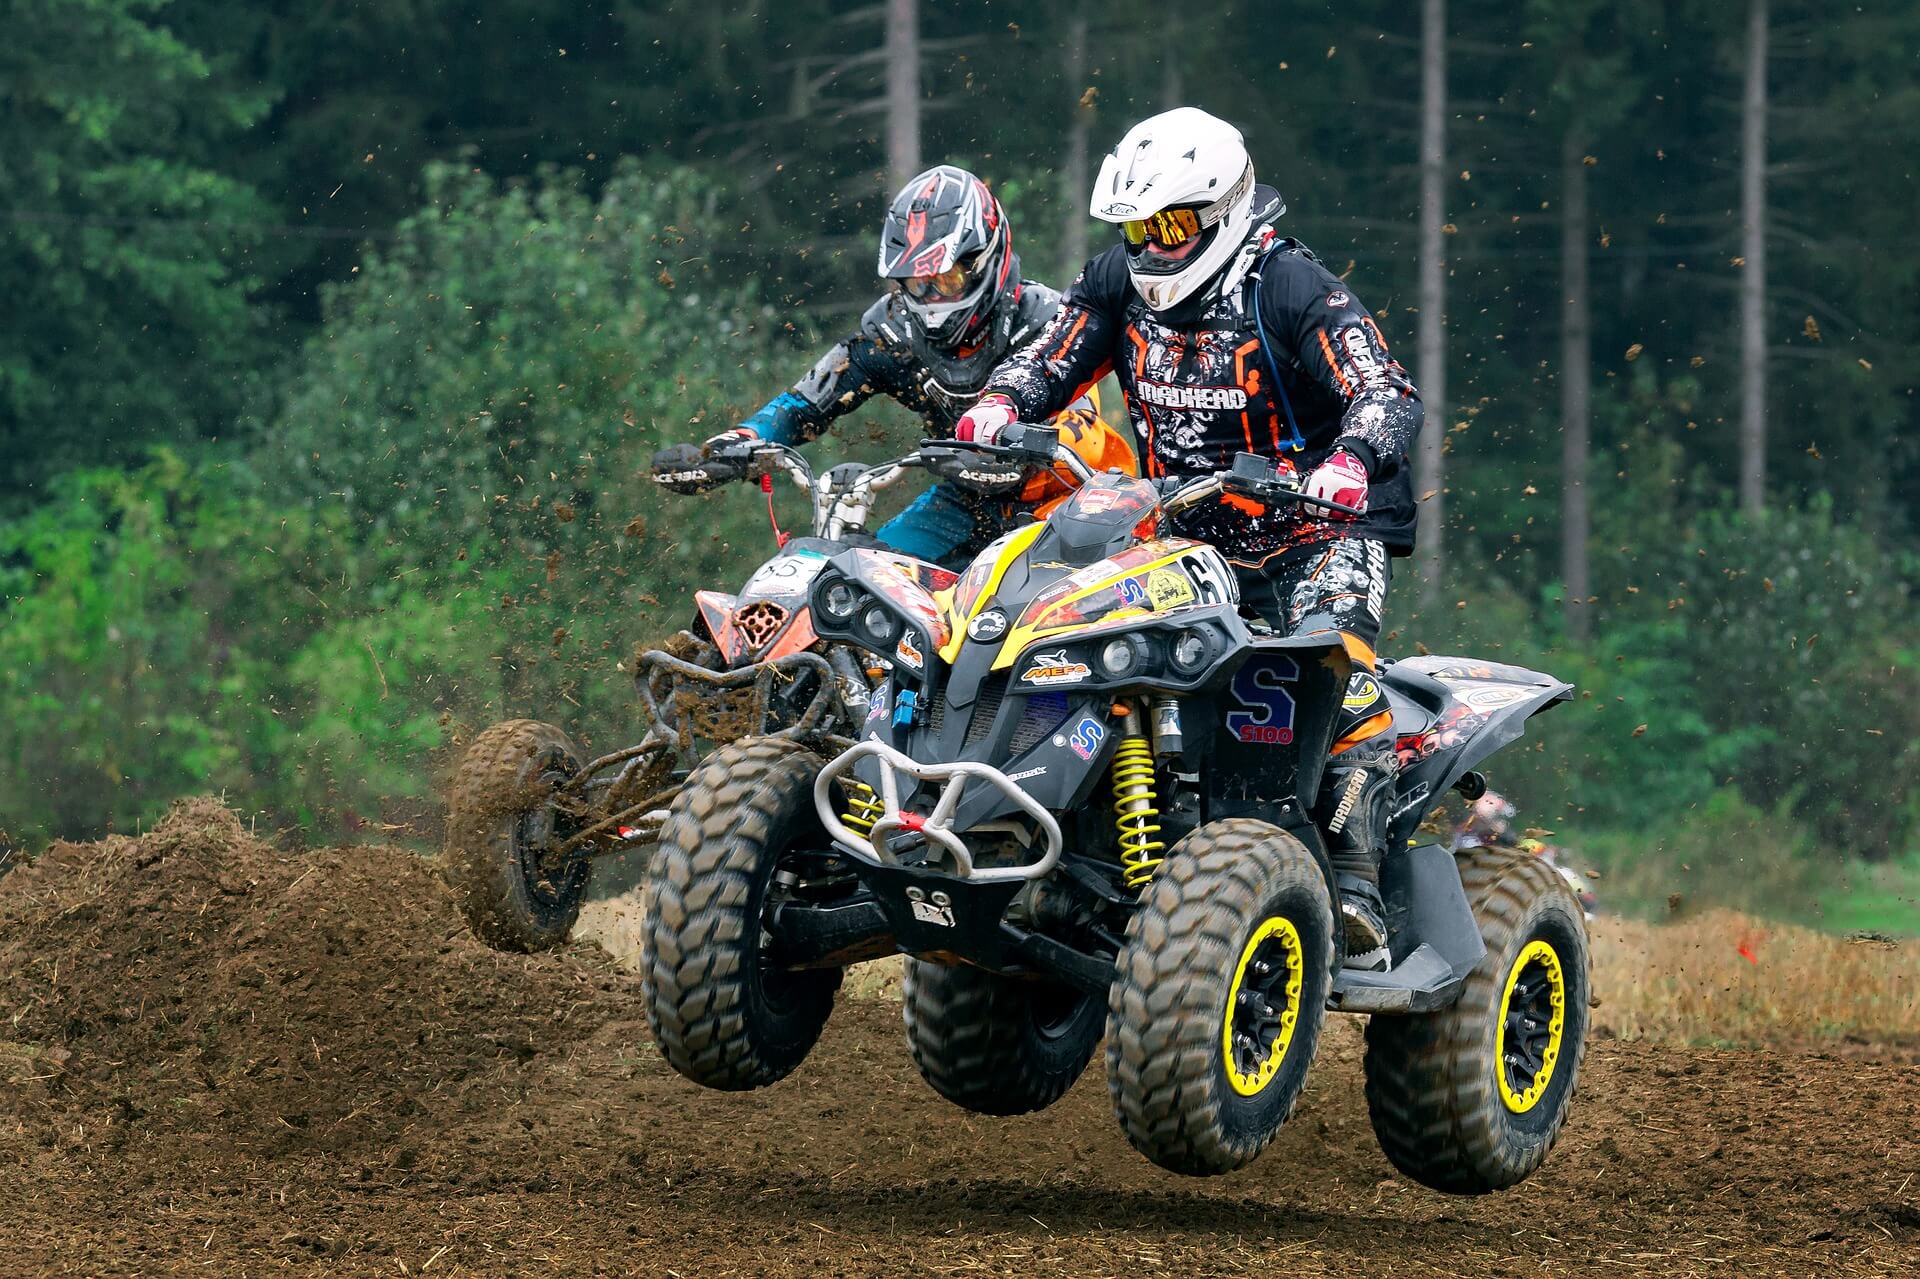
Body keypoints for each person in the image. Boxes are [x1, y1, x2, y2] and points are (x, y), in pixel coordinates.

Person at [956, 108, 1424, 970]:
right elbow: (1053, 355)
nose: (1153, 248)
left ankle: (1355, 884)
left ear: (1225, 208)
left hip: (1316, 528)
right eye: (1137, 229)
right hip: (1182, 524)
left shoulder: (1291, 287)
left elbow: (1387, 391)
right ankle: (1082, 852)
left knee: (1329, 669)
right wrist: (1001, 402)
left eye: (1170, 226)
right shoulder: (1118, 280)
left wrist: (1352, 459)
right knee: (1093, 651)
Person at [651, 164, 1133, 568]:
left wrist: (1006, 450)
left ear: (986, 259)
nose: (931, 296)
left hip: (1072, 504)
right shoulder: (896, 334)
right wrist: (738, 443)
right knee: (858, 582)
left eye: (945, 277)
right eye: (916, 283)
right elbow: (808, 401)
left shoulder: (1048, 318)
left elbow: (1081, 424)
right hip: (964, 502)